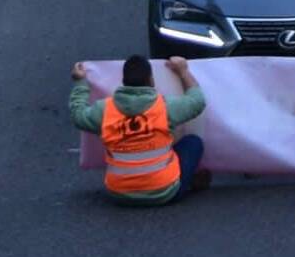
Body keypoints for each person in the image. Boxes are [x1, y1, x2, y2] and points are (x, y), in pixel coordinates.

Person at [70, 55, 209, 205]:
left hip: (119, 194)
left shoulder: (105, 110)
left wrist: (80, 83)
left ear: (123, 81)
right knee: (193, 142)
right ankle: (188, 180)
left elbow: (78, 115)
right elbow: (197, 101)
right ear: (151, 80)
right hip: (165, 192)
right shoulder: (164, 107)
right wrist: (183, 71)